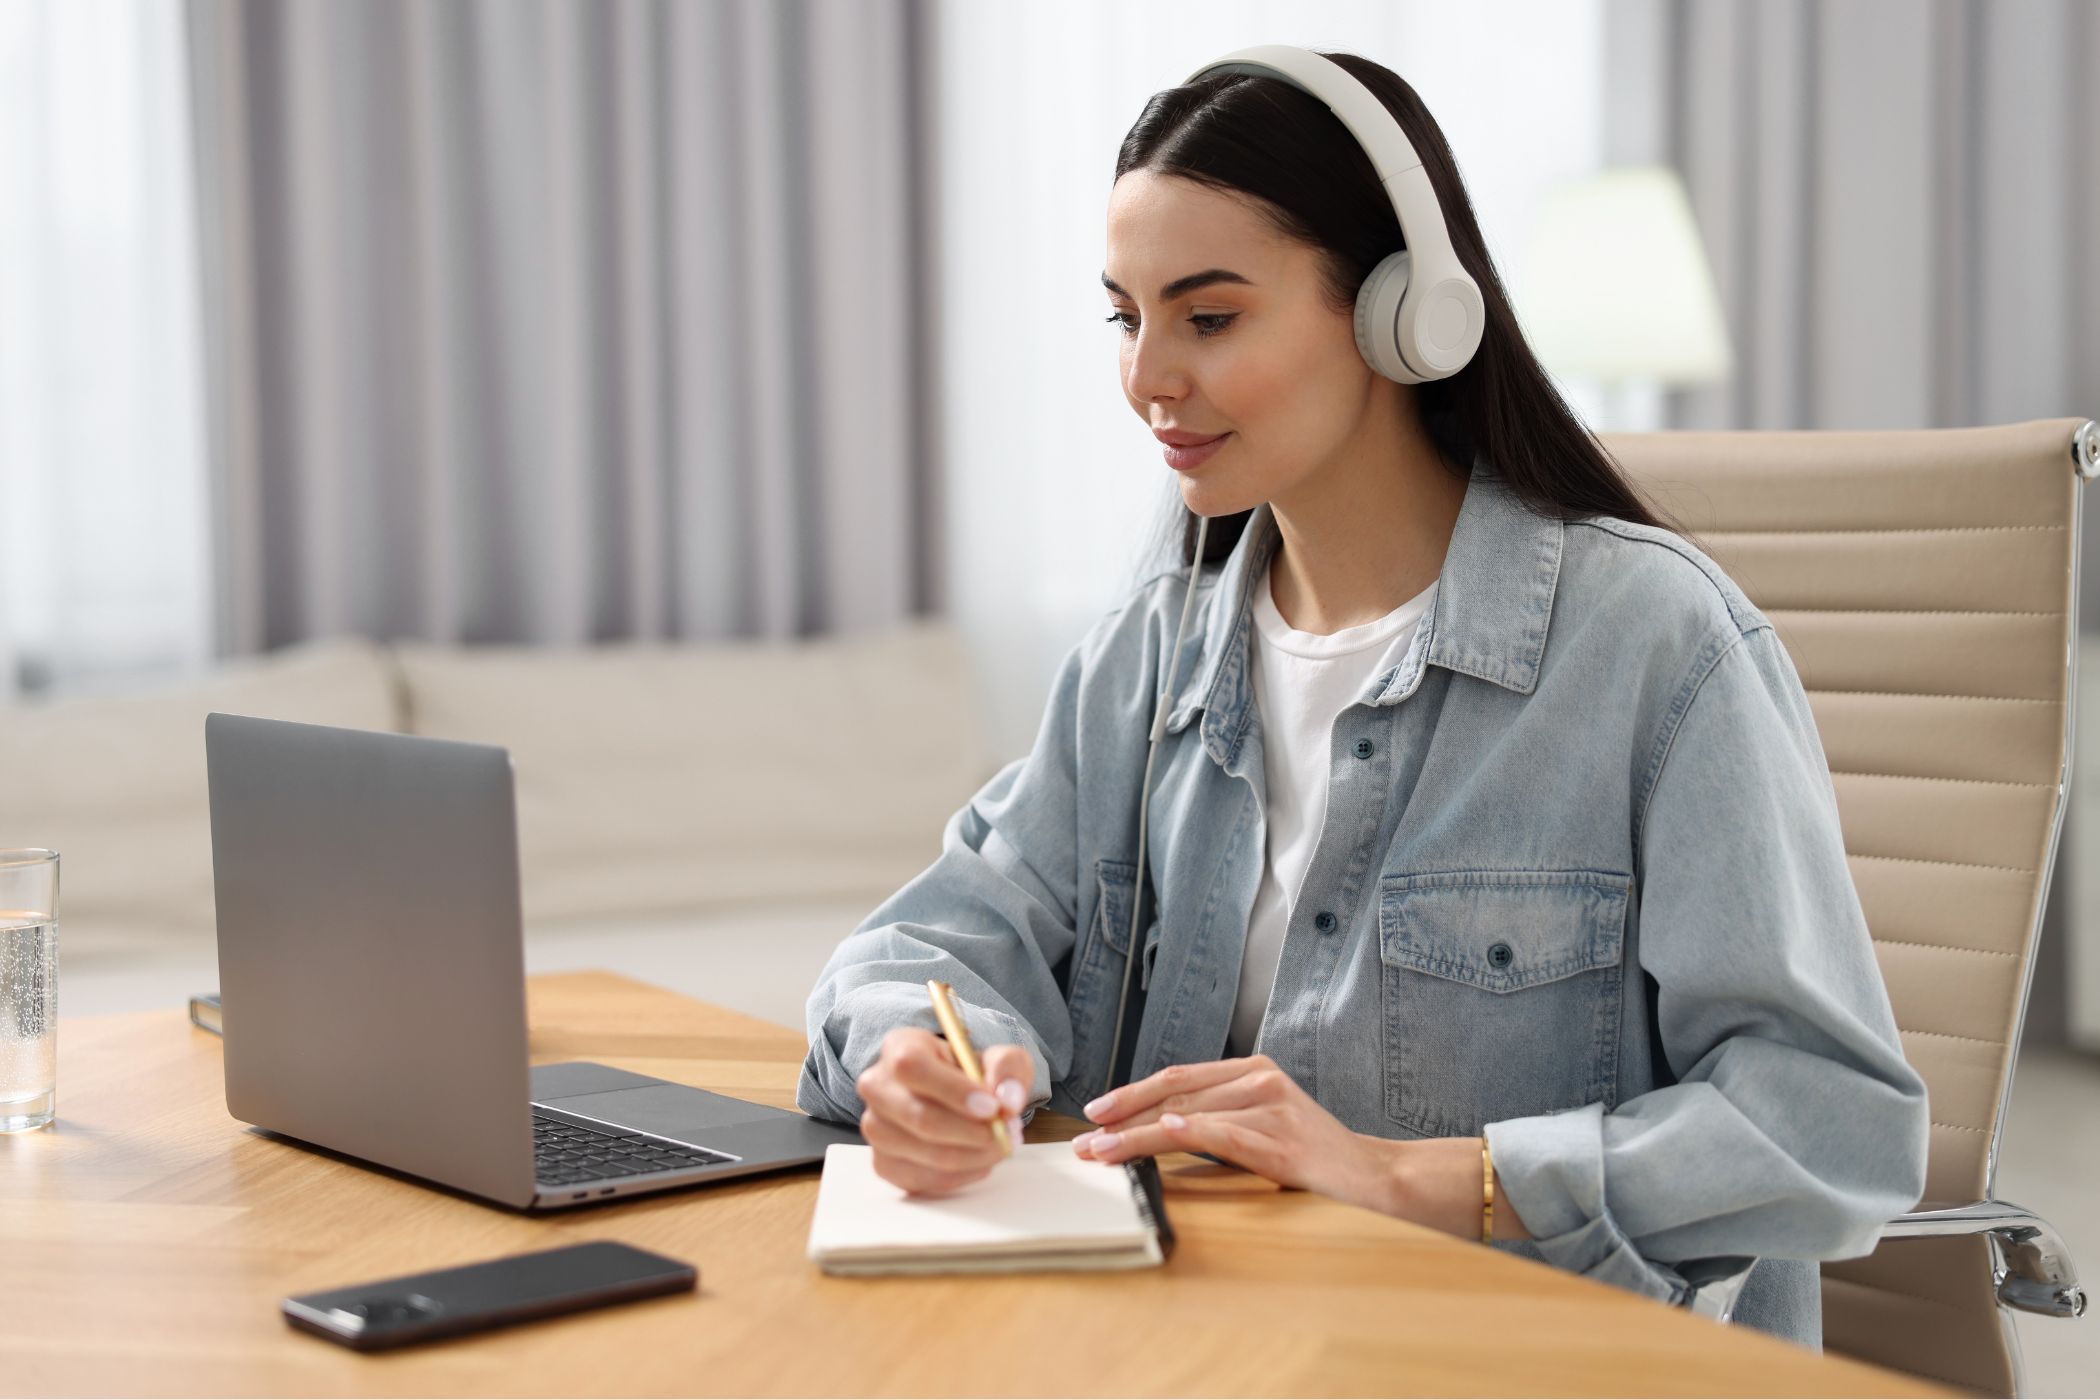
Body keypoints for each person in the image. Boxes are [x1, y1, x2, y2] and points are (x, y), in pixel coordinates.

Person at [795, 48, 1928, 1350]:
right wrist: (923, 1059)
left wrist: (1405, 1177)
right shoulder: (1149, 654)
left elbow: (1830, 1125)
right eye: (1126, 316)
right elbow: (930, 944)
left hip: (1538, 1362)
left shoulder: (1658, 650)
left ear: (1405, 314)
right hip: (1210, 1349)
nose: (1147, 375)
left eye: (1208, 318)